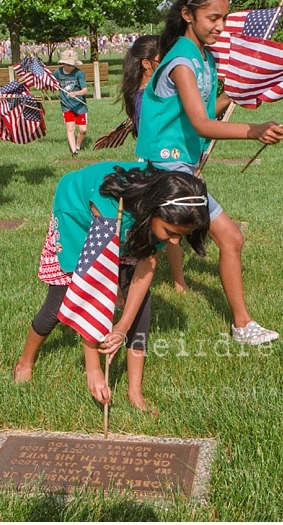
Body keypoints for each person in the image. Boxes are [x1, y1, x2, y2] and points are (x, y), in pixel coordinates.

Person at [134, 0, 283, 345]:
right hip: (165, 170)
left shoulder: (205, 57)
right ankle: (240, 325)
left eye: (224, 18)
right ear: (188, 15)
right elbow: (202, 124)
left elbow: (203, 111)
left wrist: (241, 96)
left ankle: (240, 324)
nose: (220, 26)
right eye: (212, 18)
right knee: (155, 252)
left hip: (181, 169)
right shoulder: (183, 61)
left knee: (217, 241)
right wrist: (253, 130)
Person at [13, 162, 210, 412]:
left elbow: (146, 267)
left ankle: (134, 390)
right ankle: (25, 361)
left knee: (140, 307)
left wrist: (122, 326)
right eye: (171, 232)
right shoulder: (109, 210)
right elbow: (91, 286)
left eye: (180, 235)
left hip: (128, 225)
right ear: (153, 213)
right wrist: (94, 369)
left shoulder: (169, 210)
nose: (174, 241)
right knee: (58, 305)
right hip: (78, 213)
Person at [120, 35, 189, 293]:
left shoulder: (150, 92)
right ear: (147, 64)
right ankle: (131, 285)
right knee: (159, 230)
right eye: (163, 60)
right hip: (156, 165)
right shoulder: (145, 95)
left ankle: (178, 282)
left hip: (164, 162)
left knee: (170, 229)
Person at [52, 49, 90, 156]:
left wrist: (76, 93)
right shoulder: (57, 73)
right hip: (66, 105)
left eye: (73, 65)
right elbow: (52, 83)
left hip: (79, 105)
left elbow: (85, 90)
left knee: (83, 130)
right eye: (69, 65)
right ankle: (74, 151)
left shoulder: (79, 73)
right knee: (70, 128)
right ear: (63, 63)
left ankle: (78, 146)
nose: (71, 67)